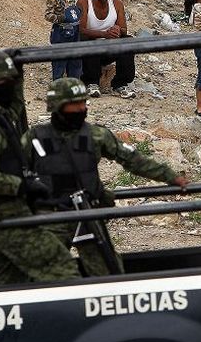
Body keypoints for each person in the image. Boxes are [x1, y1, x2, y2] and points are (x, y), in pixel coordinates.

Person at [22, 77, 190, 276]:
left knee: (108, 271)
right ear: (57, 107)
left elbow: (133, 160)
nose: (82, 108)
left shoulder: (96, 135)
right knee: (47, 274)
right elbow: (13, 172)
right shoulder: (34, 138)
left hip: (88, 213)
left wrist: (170, 176)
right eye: (75, 104)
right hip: (50, 217)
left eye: (83, 103)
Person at [0, 50, 80, 285]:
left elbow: (14, 109)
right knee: (60, 267)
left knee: (5, 281)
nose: (9, 85)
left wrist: (18, 72)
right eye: (6, 81)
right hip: (1, 212)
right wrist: (25, 186)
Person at [76, 0, 136, 99]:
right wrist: (104, 34)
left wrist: (118, 29)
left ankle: (120, 84)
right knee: (86, 40)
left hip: (108, 49)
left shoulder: (117, 4)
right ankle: (91, 83)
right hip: (89, 52)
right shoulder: (84, 2)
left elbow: (124, 29)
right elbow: (80, 30)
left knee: (128, 41)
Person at [45, 0, 82, 79]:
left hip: (75, 30)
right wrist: (61, 17)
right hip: (61, 32)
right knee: (60, 60)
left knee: (75, 59)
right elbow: (48, 15)